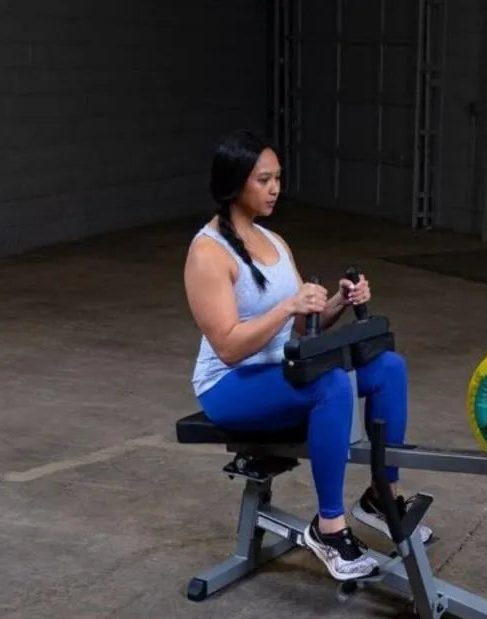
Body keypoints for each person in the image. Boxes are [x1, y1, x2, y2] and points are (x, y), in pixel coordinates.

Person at [183, 129, 431, 582]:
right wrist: (286, 306)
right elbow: (229, 346)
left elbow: (300, 327)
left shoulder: (274, 241)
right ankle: (329, 527)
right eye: (263, 179)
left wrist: (337, 299)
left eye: (278, 178)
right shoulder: (208, 253)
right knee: (330, 383)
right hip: (228, 386)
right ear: (236, 183)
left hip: (281, 370)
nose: (275, 188)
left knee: (389, 367)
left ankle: (382, 495)